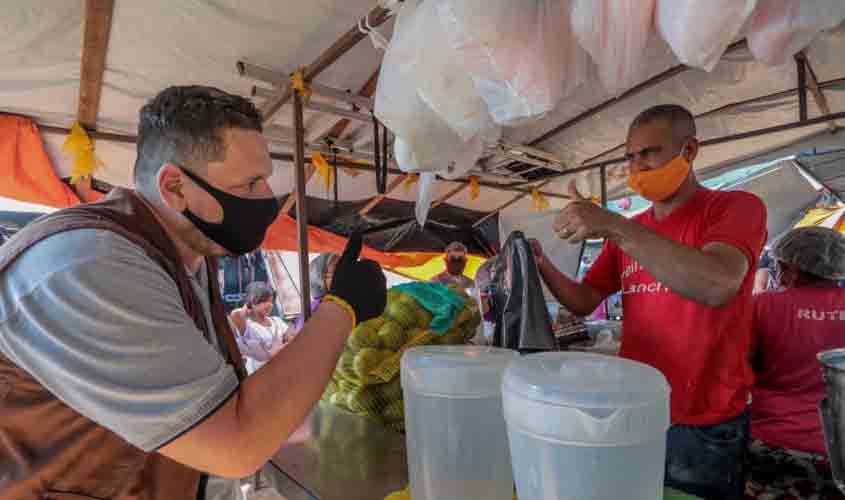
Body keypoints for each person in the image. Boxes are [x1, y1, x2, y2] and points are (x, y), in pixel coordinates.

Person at [0, 86, 386, 500]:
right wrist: (340, 307)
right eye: (250, 184)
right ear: (176, 188)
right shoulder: (90, 266)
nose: (268, 202)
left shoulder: (187, 257)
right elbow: (237, 443)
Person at [531, 104, 767, 499]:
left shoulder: (734, 208)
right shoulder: (632, 231)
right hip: (639, 411)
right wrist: (541, 264)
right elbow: (585, 300)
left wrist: (611, 224)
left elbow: (719, 283)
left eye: (650, 153)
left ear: (688, 151)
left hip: (704, 421)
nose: (638, 166)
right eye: (631, 157)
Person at [746, 227, 845, 499]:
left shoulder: (764, 306)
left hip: (779, 444)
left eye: (780, 265)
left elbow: (740, 368)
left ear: (793, 268)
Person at [229, 282, 290, 374]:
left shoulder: (277, 321)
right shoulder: (248, 326)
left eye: (270, 301)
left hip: (281, 370)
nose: (269, 305)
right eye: (264, 301)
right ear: (252, 302)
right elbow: (235, 315)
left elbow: (291, 337)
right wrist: (248, 307)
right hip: (258, 373)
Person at [293, 252, 339, 332]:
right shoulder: (316, 310)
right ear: (320, 278)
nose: (342, 276)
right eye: (335, 272)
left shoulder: (339, 304)